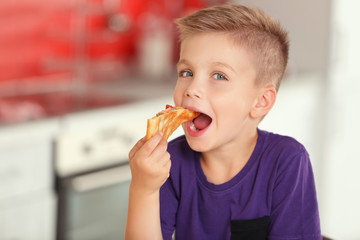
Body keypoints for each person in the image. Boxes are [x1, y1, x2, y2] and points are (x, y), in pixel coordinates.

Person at [125, 4, 321, 240]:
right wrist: (144, 189)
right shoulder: (169, 163)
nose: (192, 89)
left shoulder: (286, 160)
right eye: (186, 72)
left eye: (219, 76)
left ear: (260, 101)